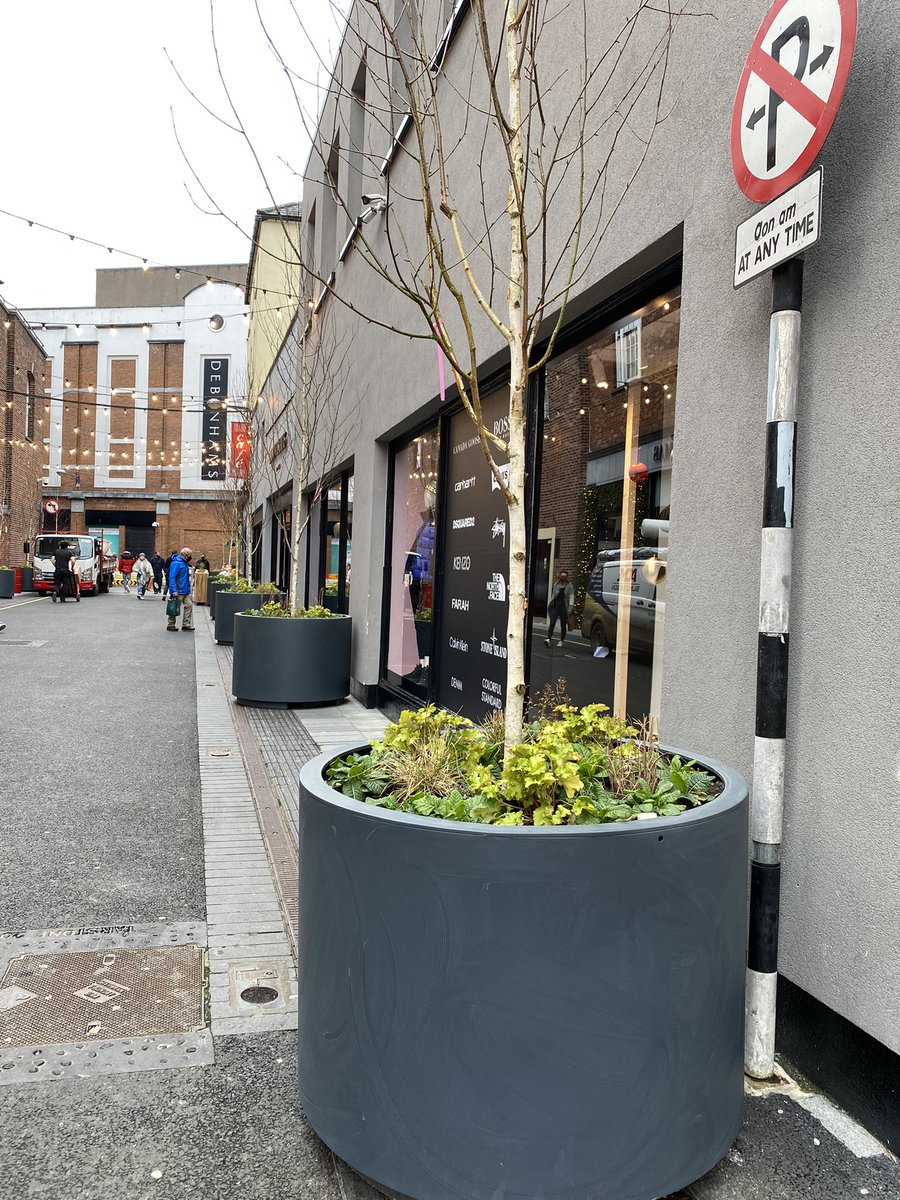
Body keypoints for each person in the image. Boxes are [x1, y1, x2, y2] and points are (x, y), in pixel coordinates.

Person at [166, 547, 194, 632]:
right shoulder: (176, 563)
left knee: (189, 605)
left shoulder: (184, 563)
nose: (190, 557)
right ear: (186, 555)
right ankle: (171, 624)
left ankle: (186, 624)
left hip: (185, 589)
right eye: (190, 555)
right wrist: (173, 590)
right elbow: (172, 577)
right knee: (174, 607)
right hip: (178, 590)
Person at [545, 569, 574, 648]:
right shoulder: (556, 585)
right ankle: (548, 639)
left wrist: (571, 606)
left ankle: (561, 640)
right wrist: (550, 604)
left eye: (564, 576)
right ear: (559, 577)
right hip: (555, 605)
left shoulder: (569, 586)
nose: (563, 578)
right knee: (552, 622)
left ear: (567, 577)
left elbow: (571, 596)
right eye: (561, 576)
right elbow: (553, 595)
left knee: (563, 624)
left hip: (564, 606)